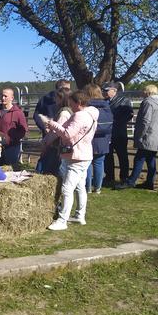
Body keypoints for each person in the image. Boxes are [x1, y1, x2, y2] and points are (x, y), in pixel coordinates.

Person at [39, 91, 99, 230]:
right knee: (80, 187)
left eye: (71, 102)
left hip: (76, 157)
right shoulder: (91, 115)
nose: (69, 105)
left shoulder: (79, 116)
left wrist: (51, 124)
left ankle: (62, 220)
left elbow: (67, 134)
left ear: (78, 103)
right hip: (84, 155)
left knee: (67, 188)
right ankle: (79, 215)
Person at [116, 84, 158, 190]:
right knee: (151, 159)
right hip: (156, 136)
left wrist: (140, 135)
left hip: (148, 135)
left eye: (143, 91)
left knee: (139, 158)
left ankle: (131, 181)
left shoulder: (148, 102)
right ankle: (149, 182)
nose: (142, 93)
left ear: (147, 92)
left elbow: (145, 121)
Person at [34, 80, 71, 173]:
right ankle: (40, 175)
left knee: (57, 162)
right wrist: (44, 127)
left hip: (58, 137)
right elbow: (37, 114)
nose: (68, 91)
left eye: (69, 89)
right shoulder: (45, 99)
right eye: (66, 89)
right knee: (45, 158)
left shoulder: (67, 107)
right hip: (49, 134)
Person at [82, 84, 113, 194]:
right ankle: (98, 188)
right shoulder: (106, 105)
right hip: (103, 138)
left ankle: (88, 187)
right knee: (99, 163)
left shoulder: (86, 106)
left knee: (88, 163)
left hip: (89, 138)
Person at [103, 82, 134, 185]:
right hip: (108, 134)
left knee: (122, 156)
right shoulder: (104, 101)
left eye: (107, 90)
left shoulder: (124, 100)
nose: (105, 92)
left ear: (114, 90)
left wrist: (116, 122)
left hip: (119, 133)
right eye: (104, 90)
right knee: (108, 156)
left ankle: (124, 177)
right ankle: (109, 177)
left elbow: (129, 115)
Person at [0, 88, 28, 165]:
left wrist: (11, 139)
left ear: (12, 98)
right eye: (2, 96)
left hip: (12, 147)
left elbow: (23, 130)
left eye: (5, 96)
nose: (3, 98)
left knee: (10, 169)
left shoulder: (18, 113)